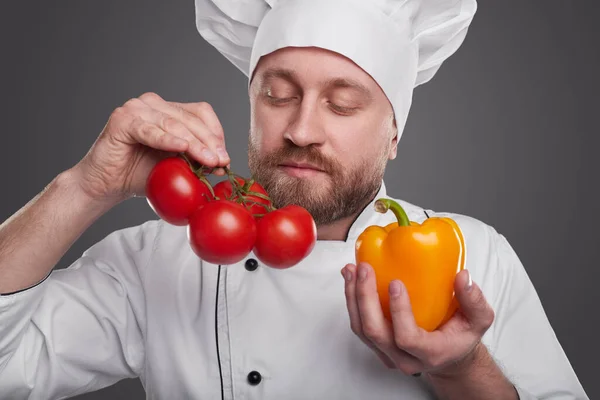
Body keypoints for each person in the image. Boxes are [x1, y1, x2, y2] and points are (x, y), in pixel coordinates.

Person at [0, 0, 589, 399]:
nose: (302, 129)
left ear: (394, 134)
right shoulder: (157, 260)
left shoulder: (472, 254)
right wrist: (81, 187)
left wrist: (460, 369)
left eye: (342, 103)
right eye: (278, 94)